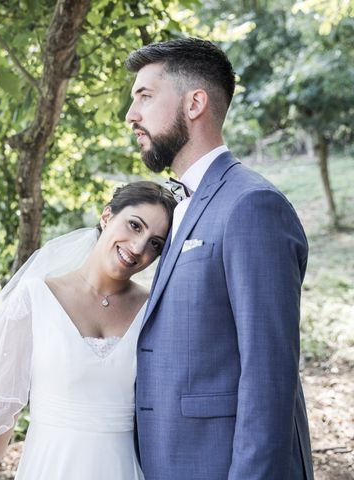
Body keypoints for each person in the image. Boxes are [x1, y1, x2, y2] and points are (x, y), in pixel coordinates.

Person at [125, 37, 314, 479]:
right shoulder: (177, 208)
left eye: (145, 97)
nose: (131, 115)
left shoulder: (252, 205)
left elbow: (268, 373)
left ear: (195, 103)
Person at [0, 181, 177, 480]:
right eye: (135, 226)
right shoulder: (34, 298)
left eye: (155, 243)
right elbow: (2, 410)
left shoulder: (154, 309)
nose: (138, 248)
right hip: (48, 466)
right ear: (107, 216)